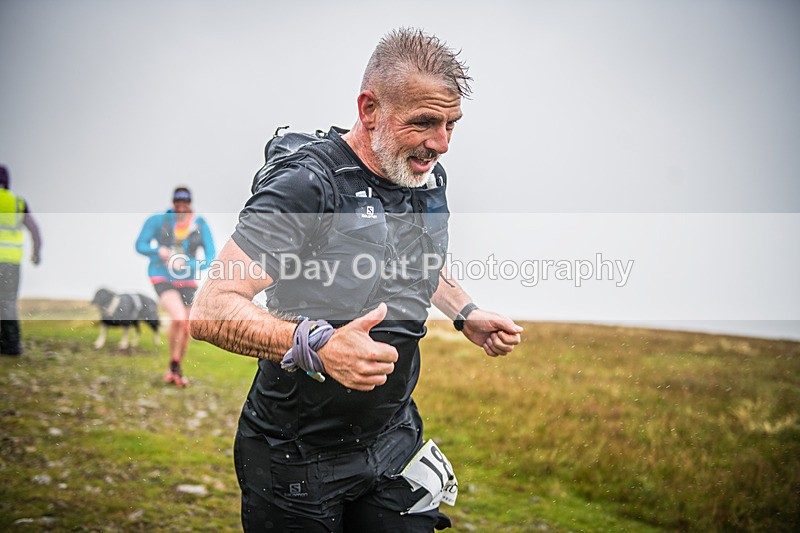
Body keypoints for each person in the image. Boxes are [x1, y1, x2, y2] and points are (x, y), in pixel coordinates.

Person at [189, 28, 523, 532]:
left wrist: (466, 312)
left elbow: (411, 260)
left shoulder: (422, 176)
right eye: (425, 123)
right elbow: (212, 307)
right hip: (294, 455)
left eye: (452, 124)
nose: (442, 144)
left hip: (393, 439)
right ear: (369, 110)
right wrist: (316, 344)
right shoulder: (307, 186)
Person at [136, 186, 215, 386]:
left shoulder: (199, 224)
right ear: (173, 203)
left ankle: (175, 368)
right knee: (179, 318)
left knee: (187, 327)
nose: (181, 207)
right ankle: (173, 365)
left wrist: (188, 264)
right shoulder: (158, 221)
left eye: (185, 204)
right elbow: (140, 245)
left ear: (190, 204)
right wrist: (158, 251)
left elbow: (210, 257)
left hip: (187, 279)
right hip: (161, 276)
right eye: (177, 204)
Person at [0, 165, 42, 356]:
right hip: (11, 263)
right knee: (8, 302)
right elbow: (34, 230)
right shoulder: (17, 202)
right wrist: (36, 253)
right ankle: (12, 346)